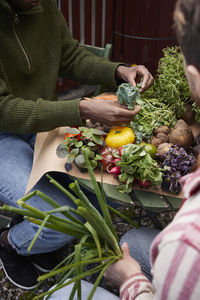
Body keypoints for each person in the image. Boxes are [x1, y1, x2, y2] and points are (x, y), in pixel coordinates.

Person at [45, 0, 200, 299]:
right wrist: (117, 72)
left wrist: (132, 281)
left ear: (193, 76)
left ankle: (18, 243)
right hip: (11, 132)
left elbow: (70, 55)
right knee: (130, 236)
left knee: (60, 292)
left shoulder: (185, 243)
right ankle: (18, 242)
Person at [0, 0, 153, 291]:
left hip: (41, 127)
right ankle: (10, 244)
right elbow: (3, 108)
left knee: (100, 200)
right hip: (3, 135)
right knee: (63, 218)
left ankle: (36, 238)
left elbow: (69, 57)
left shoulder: (42, 6)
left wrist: (119, 71)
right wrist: (82, 110)